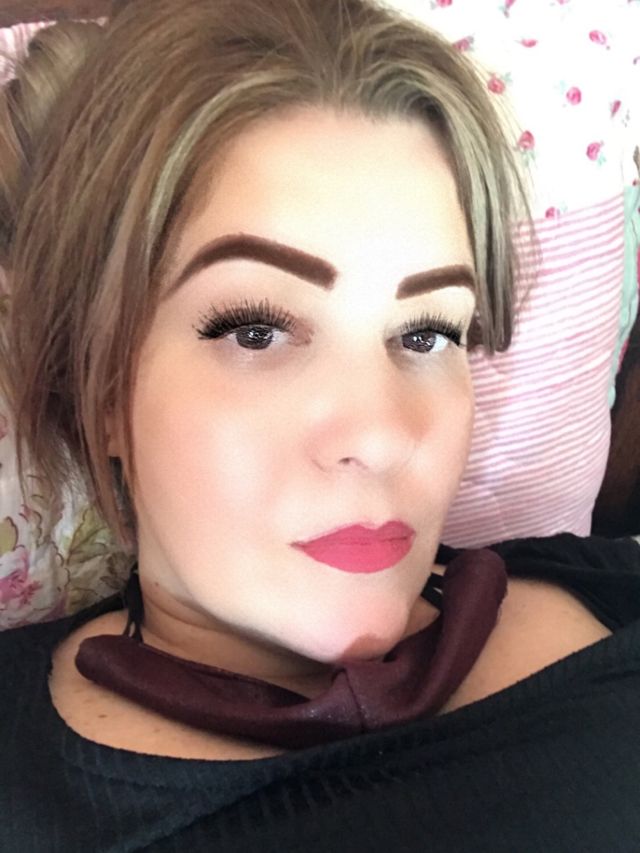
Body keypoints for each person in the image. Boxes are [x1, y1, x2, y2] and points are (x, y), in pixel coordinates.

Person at [1, 0, 639, 850]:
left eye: (428, 333)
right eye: (256, 330)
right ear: (101, 382)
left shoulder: (606, 588)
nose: (381, 435)